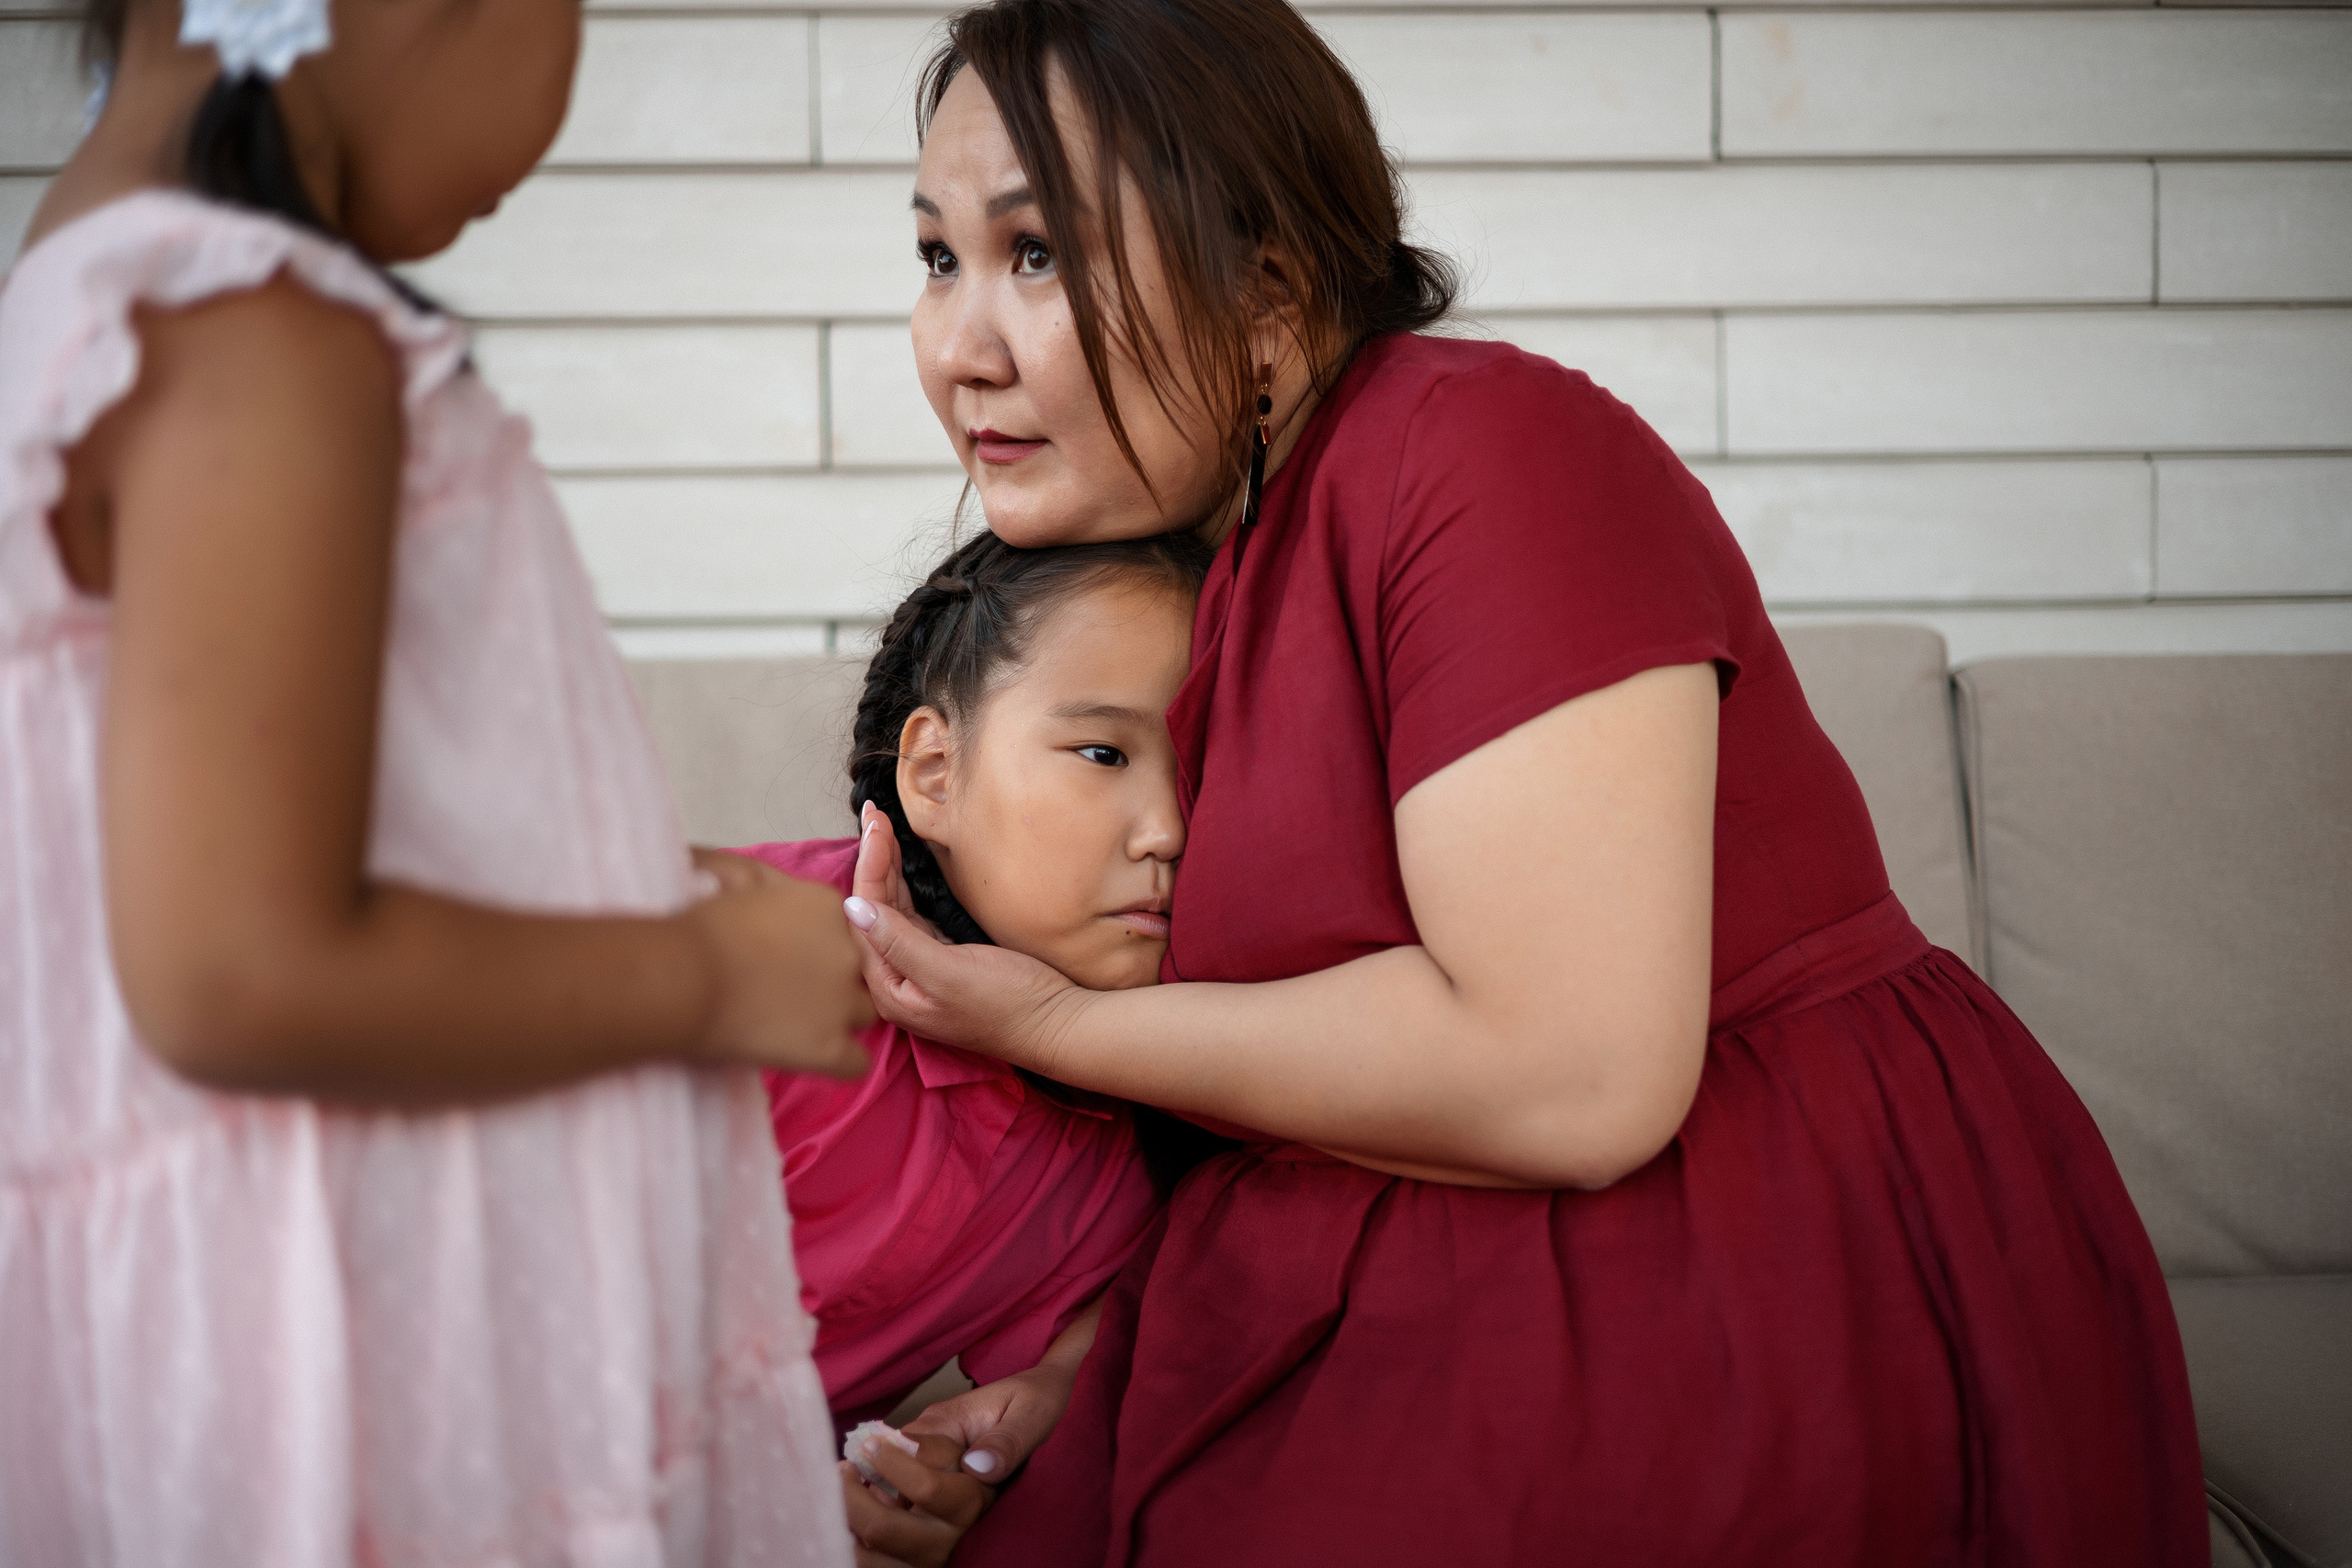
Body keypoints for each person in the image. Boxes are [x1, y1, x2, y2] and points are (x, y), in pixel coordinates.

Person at [834, 0, 2209, 1562]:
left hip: (1736, 1255)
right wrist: (1075, 1379)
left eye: (1037, 255)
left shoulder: (1482, 449)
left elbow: (1577, 1075)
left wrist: (1069, 1027)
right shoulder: (1169, 565)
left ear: (1267, 285)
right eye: (939, 258)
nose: (958, 346)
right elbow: (1288, 1075)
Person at [0, 0, 871, 1559]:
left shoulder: (97, 296)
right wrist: (705, 974)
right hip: (377, 1376)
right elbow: (235, 966)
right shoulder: (252, 338)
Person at [737, 530, 1207, 1568]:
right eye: (1103, 753)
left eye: (1217, 767)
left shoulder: (1114, 1139)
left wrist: (1016, 1419)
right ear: (934, 772)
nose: (1170, 828)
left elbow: (1092, 1342)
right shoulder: (746, 950)